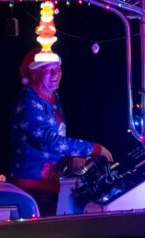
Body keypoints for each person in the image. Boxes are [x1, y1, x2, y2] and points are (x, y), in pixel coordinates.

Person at [9, 49, 112, 215]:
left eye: (58, 69)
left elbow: (58, 137)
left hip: (47, 185)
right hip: (30, 187)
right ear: (34, 74)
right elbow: (48, 141)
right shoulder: (28, 99)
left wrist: (69, 157)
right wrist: (92, 148)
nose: (56, 74)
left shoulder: (53, 97)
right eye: (49, 70)